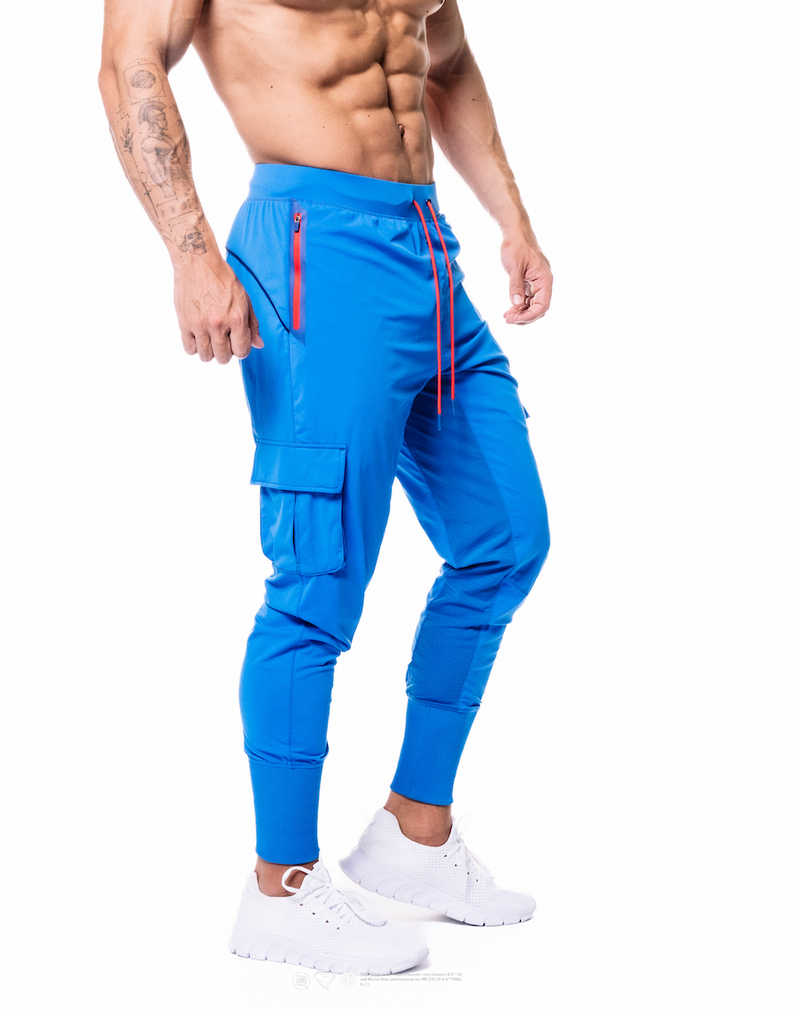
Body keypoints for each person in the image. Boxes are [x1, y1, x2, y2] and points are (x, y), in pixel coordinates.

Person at [99, 0, 553, 976]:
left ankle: (414, 832)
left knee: (506, 539)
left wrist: (512, 219)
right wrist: (191, 255)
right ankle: (281, 886)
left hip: (427, 248)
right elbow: (130, 62)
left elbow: (446, 61)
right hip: (313, 249)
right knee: (317, 582)